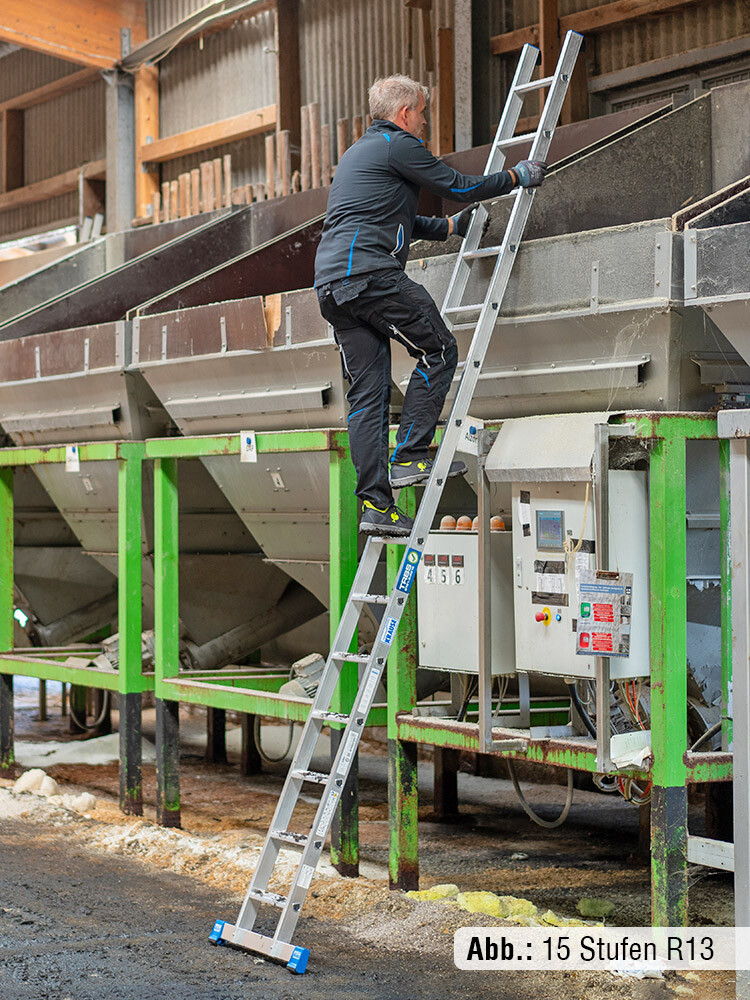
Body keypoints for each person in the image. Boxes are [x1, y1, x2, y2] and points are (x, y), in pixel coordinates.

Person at [315, 74, 547, 537]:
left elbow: (387, 215)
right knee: (439, 349)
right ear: (404, 114)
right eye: (422, 113)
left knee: (367, 396)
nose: (424, 122)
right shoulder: (397, 144)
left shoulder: (359, 154)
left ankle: (376, 506)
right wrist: (515, 177)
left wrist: (447, 229)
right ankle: (411, 456)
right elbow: (456, 185)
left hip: (332, 287)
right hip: (371, 276)